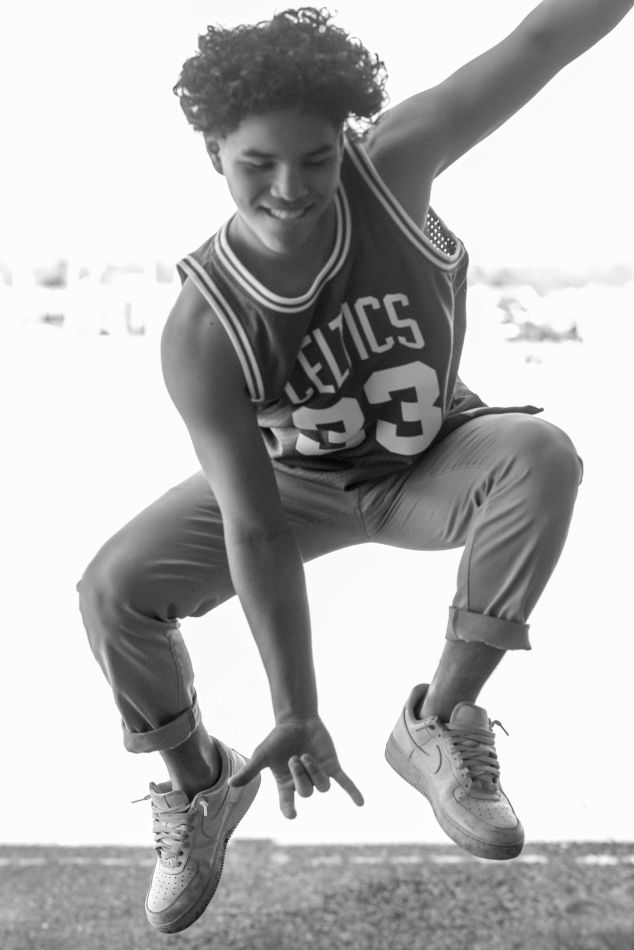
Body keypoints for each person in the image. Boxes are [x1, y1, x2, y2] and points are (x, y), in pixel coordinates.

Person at [77, 0, 632, 934]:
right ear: (214, 151)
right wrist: (295, 709)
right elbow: (255, 527)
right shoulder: (205, 329)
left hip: (433, 458)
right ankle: (202, 784)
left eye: (316, 158)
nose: (290, 187)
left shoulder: (395, 166)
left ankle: (438, 723)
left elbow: (540, 41)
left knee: (540, 455)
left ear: (347, 141)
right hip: (294, 489)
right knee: (113, 591)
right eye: (258, 163)